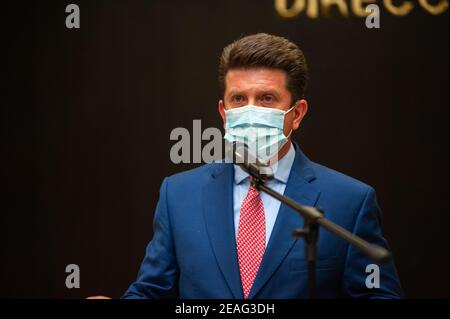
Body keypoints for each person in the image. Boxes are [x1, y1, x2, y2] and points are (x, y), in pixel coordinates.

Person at [120, 33, 403, 299]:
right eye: (239, 99)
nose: (251, 110)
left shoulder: (349, 202)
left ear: (297, 114)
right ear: (224, 112)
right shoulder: (179, 195)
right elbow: (151, 290)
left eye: (267, 98)